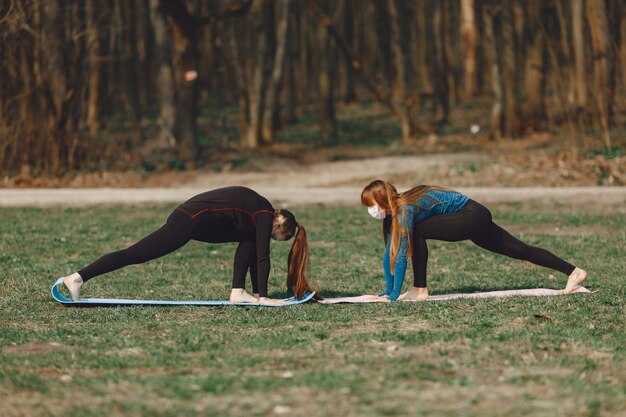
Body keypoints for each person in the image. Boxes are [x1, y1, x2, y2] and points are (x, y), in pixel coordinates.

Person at [61, 186, 317, 306]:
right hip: (189, 219)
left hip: (195, 219)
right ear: (280, 223)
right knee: (136, 254)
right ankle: (78, 277)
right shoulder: (264, 213)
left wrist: (258, 293)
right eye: (277, 236)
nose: (271, 238)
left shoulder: (256, 215)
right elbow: (263, 256)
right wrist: (264, 298)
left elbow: (253, 252)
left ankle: (237, 293)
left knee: (248, 240)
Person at [360, 180, 587, 301]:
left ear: (383, 200)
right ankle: (573, 271)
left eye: (372, 205)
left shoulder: (405, 210)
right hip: (474, 216)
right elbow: (389, 252)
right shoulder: (392, 216)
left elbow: (401, 255)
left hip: (471, 215)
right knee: (519, 249)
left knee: (417, 231)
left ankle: (420, 289)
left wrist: (392, 298)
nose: (370, 210)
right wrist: (387, 290)